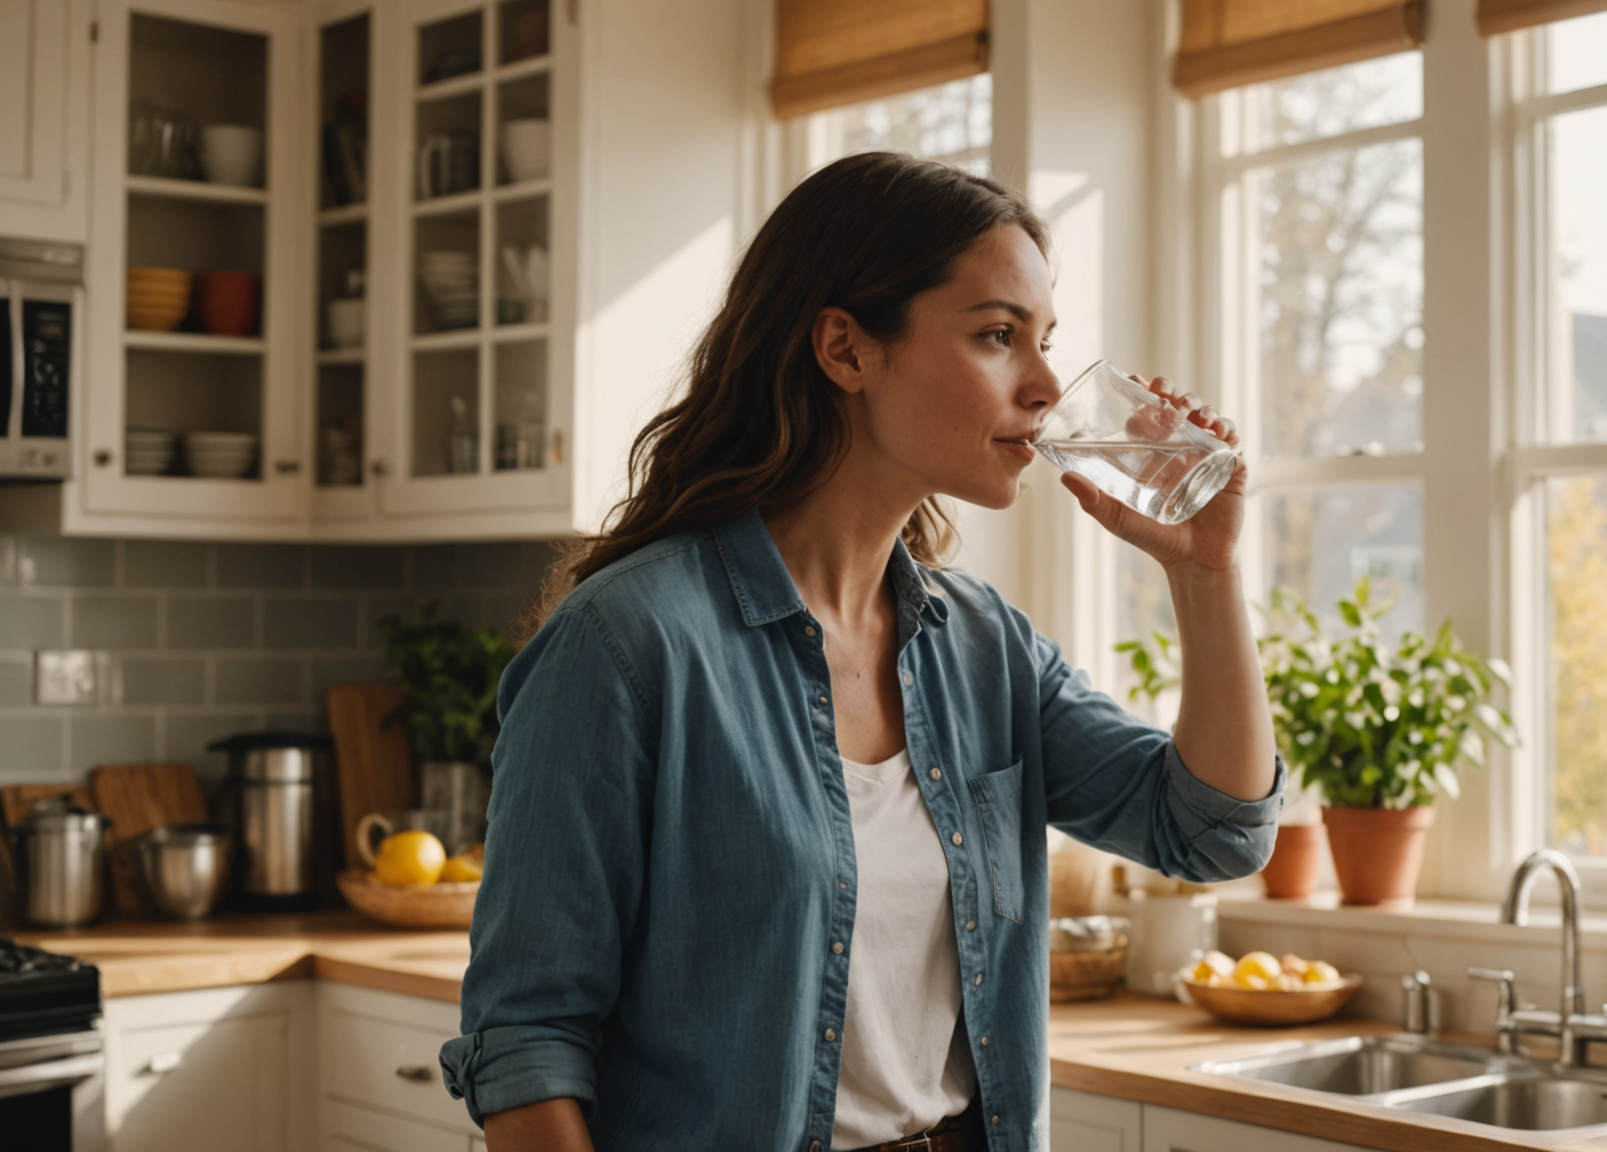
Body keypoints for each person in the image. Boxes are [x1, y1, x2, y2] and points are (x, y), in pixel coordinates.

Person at [439, 152, 1282, 1152]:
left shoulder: (983, 650)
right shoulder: (626, 647)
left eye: (1045, 341)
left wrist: (1206, 573)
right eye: (998, 336)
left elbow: (1215, 831)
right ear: (845, 349)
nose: (1049, 385)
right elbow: (525, 1043)